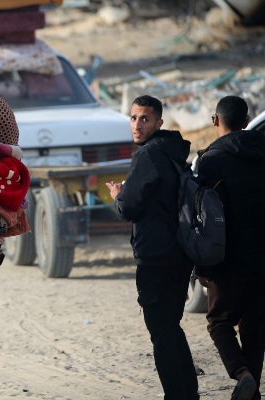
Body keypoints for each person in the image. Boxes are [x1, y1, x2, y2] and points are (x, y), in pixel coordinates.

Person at [106, 95, 199, 400]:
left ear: (159, 122)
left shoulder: (148, 155)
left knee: (161, 331)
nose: (137, 124)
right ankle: (188, 393)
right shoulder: (174, 152)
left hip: (155, 258)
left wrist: (118, 197)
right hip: (180, 255)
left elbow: (129, 208)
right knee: (171, 327)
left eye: (144, 119)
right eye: (133, 118)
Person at [195, 95, 265, 400]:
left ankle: (242, 374)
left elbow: (204, 216)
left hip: (228, 259)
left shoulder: (211, 161)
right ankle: (252, 390)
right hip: (262, 258)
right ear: (247, 122)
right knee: (254, 328)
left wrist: (202, 263)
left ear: (215, 120)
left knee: (219, 322)